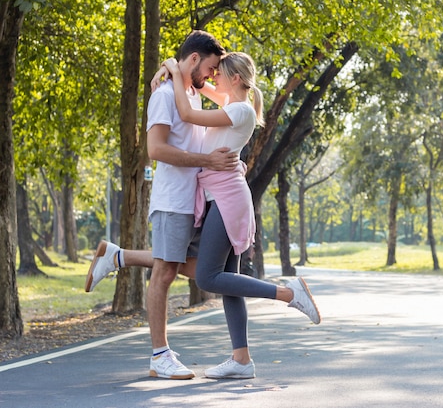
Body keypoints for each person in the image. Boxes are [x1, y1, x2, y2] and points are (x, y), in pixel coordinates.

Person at [85, 30, 237, 381]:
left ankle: (118, 256)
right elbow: (155, 150)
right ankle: (160, 355)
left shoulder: (191, 94)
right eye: (211, 68)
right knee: (166, 272)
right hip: (172, 200)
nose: (213, 76)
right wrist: (207, 161)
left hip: (193, 201)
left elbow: (234, 90)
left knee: (199, 269)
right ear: (195, 59)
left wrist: (171, 65)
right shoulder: (165, 94)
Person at [161, 53, 320, 380]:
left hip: (226, 199)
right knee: (229, 284)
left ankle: (289, 294)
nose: (213, 78)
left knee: (207, 277)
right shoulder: (234, 105)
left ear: (235, 78)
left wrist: (176, 72)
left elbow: (187, 112)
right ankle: (241, 360)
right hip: (222, 196)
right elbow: (204, 91)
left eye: (218, 74)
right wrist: (181, 73)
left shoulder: (240, 110)